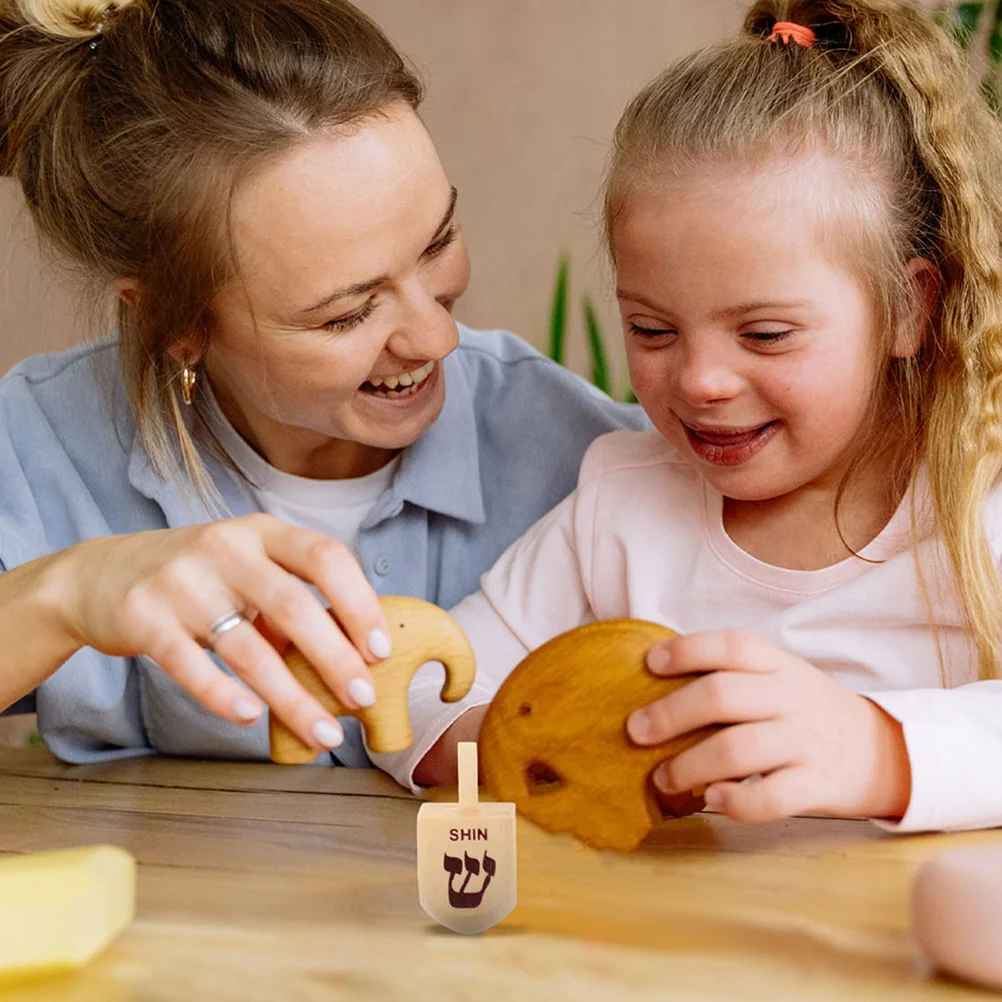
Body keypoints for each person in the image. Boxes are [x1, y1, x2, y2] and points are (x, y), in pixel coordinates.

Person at [395, 0, 1002, 832]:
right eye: (652, 329)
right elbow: (423, 681)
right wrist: (534, 752)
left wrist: (880, 750)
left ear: (907, 309)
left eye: (765, 334)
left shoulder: (979, 506)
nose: (702, 380)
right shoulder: (624, 503)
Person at [0, 0, 646, 765]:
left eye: (438, 241)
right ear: (176, 321)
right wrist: (68, 596)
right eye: (347, 314)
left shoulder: (592, 460)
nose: (437, 337)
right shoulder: (36, 446)